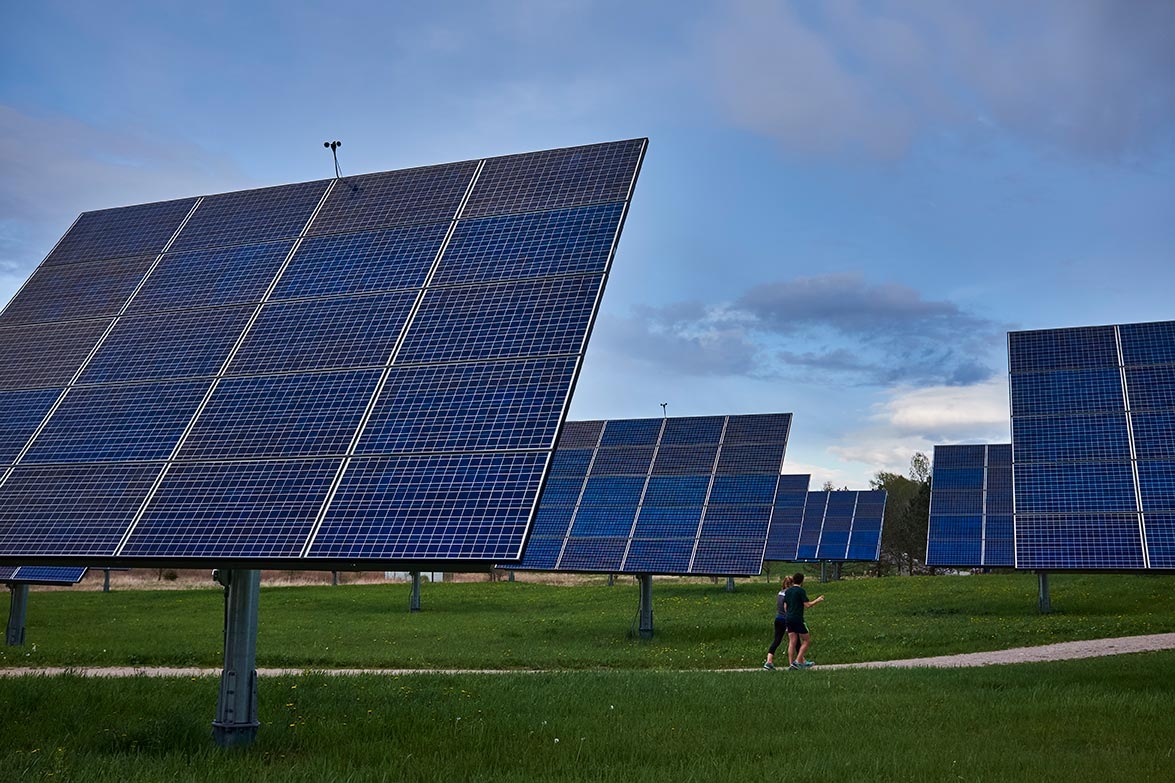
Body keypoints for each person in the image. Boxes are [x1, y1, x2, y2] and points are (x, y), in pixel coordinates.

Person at [784, 572, 824, 669]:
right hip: (797, 618)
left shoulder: (788, 591)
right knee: (806, 640)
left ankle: (790, 663)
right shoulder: (800, 591)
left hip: (788, 618)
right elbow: (807, 605)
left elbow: (785, 606)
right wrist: (818, 600)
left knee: (792, 641)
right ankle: (798, 661)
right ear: (802, 581)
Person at [763, 575, 794, 670]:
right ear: (792, 584)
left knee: (776, 640)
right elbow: (787, 608)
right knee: (794, 640)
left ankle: (769, 661)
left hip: (778, 618)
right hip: (786, 619)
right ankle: (795, 662)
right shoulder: (790, 594)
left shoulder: (780, 593)